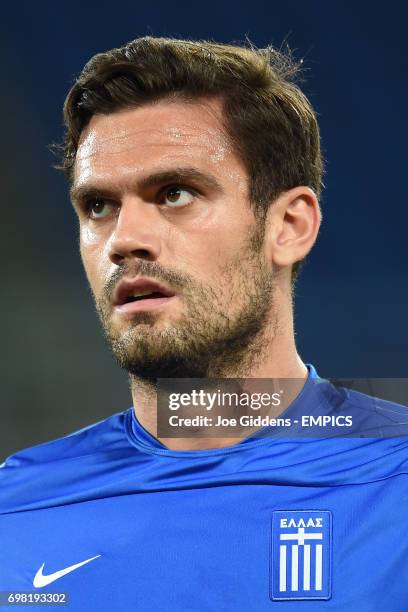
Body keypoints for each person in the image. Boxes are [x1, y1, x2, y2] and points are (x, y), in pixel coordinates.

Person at [0, 36, 407, 611]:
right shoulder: (16, 507)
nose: (123, 239)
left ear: (289, 225)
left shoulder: (394, 482)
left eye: (175, 193)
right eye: (98, 207)